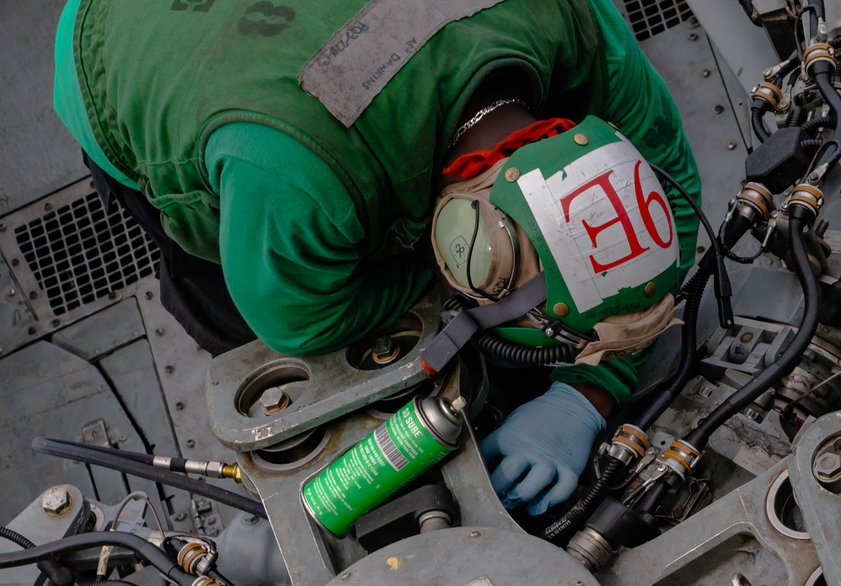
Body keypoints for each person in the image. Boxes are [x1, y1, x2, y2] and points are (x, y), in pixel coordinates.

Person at [52, 0, 701, 513]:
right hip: (118, 41)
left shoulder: (568, 17)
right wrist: (457, 298)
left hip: (275, 69)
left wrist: (589, 393)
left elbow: (669, 171)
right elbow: (299, 322)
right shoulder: (298, 182)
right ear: (453, 243)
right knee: (233, 312)